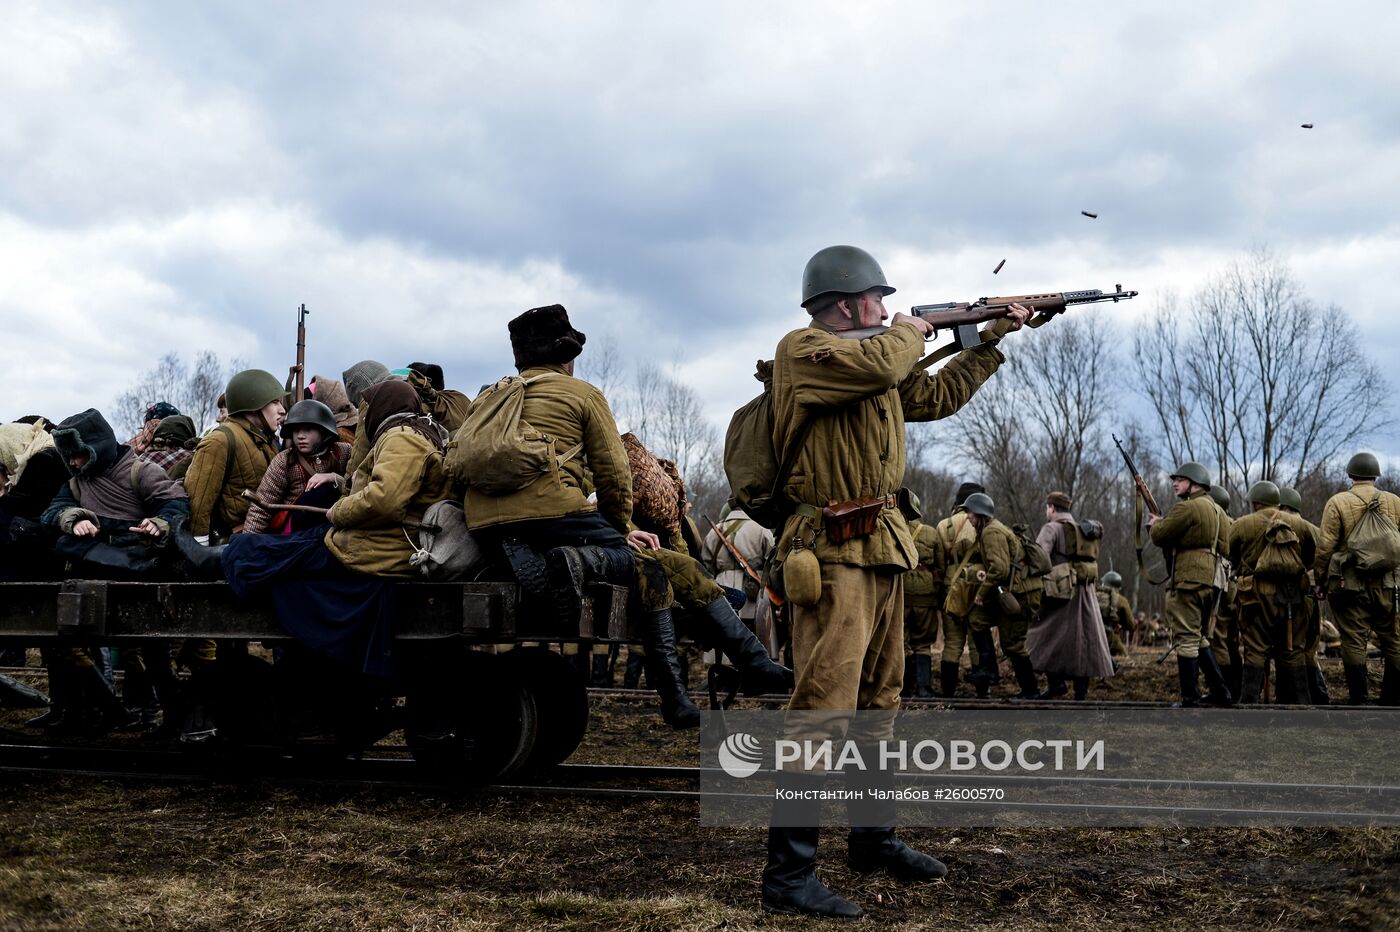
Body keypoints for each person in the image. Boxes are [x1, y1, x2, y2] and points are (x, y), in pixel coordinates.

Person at [760, 245, 1028, 919]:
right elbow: (885, 358)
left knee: (879, 706)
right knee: (821, 712)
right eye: (878, 300)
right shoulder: (806, 350)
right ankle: (788, 879)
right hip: (830, 554)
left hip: (882, 549)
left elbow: (932, 395)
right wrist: (915, 329)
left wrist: (990, 340)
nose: (887, 309)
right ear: (848, 304)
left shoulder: (873, 368)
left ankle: (873, 840)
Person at [460, 305, 698, 728]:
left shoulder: (490, 397)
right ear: (566, 357)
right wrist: (621, 528)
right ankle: (677, 693)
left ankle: (530, 551)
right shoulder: (583, 394)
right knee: (647, 563)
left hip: (484, 524)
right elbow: (614, 475)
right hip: (554, 517)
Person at [174, 380, 453, 678]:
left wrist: (339, 508)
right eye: (296, 430)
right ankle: (223, 557)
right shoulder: (413, 435)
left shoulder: (402, 439)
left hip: (380, 546)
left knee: (291, 552)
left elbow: (384, 500)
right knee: (288, 548)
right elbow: (265, 501)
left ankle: (218, 560)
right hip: (379, 540)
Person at [38, 408, 190, 733]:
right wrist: (74, 519)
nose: (75, 463)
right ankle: (113, 711)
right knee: (77, 645)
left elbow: (176, 504)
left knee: (155, 651)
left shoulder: (140, 471)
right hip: (95, 575)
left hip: (138, 575)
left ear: (95, 446)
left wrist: (157, 524)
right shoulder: (78, 484)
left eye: (78, 455)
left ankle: (174, 718)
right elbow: (51, 512)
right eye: (71, 457)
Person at [1313, 452, 1400, 705]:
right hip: (1390, 586)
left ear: (1350, 475)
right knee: (1394, 639)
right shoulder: (1394, 502)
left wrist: (1320, 580)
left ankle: (1359, 697)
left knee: (1353, 639)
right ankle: (1393, 699)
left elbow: (1325, 547)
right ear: (1375, 475)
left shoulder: (1338, 502)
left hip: (1350, 586)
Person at [1148, 462, 1234, 707]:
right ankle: (1221, 692)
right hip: (1210, 581)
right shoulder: (1219, 512)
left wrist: (1155, 524)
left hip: (1187, 581)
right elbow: (1226, 549)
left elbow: (1160, 536)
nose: (1174, 482)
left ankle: (1190, 697)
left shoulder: (1186, 508)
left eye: (1180, 479)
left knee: (1186, 638)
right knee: (1199, 637)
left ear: (1194, 483)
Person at [1227, 481, 1317, 704]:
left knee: (1256, 648)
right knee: (1293, 648)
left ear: (1255, 502)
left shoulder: (1242, 524)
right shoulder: (1300, 523)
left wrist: (1242, 568)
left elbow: (1228, 551)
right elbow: (1318, 550)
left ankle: (1248, 702)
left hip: (1255, 596)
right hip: (1292, 596)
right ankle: (1300, 703)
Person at [1025, 492, 1114, 700]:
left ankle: (1055, 683)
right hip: (1086, 594)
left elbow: (1039, 559)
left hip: (1060, 594)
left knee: (1041, 637)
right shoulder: (1084, 531)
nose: (1047, 511)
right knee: (1084, 642)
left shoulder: (1051, 528)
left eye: (1048, 507)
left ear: (1052, 508)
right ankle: (1080, 694)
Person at [183, 369, 286, 542]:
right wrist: (199, 552)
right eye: (275, 402)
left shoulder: (268, 442)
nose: (282, 410)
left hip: (264, 538)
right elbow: (198, 505)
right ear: (253, 404)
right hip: (232, 544)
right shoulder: (220, 440)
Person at [949, 492, 1027, 699]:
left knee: (1012, 644)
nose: (967, 517)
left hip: (1014, 594)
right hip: (1003, 593)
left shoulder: (991, 533)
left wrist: (980, 594)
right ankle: (989, 671)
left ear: (981, 514)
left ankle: (1031, 690)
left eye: (970, 513)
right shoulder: (988, 530)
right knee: (976, 619)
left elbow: (999, 570)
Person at [242, 400, 351, 536]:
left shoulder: (343, 452)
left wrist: (334, 478)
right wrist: (246, 542)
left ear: (323, 430)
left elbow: (359, 487)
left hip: (332, 526)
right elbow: (262, 508)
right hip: (295, 531)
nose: (300, 436)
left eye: (307, 429)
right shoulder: (284, 460)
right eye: (296, 430)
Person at [1280, 486, 1330, 703]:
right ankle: (1319, 696)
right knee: (1310, 648)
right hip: (1312, 593)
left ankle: (1297, 698)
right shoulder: (1314, 529)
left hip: (1290, 596)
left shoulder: (1282, 526)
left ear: (1282, 507)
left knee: (1291, 647)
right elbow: (1325, 557)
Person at [935, 482, 984, 697]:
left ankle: (948, 693)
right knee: (975, 640)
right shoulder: (983, 523)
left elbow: (939, 563)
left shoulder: (944, 525)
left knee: (953, 641)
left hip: (952, 585)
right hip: (976, 584)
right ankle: (983, 691)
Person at [899, 517, 941, 698]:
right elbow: (940, 564)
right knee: (923, 644)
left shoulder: (897, 528)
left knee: (901, 642)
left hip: (903, 590)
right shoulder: (931, 532)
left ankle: (902, 688)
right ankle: (924, 688)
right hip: (926, 592)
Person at [1096, 571, 1135, 656]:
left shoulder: (1091, 595)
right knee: (1123, 656)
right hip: (1109, 637)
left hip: (1088, 635)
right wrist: (1120, 625)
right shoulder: (1121, 600)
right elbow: (1131, 625)